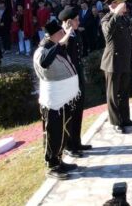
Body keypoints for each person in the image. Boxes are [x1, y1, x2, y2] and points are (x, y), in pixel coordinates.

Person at [33, 19, 80, 180]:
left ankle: (59, 160)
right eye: (60, 33)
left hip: (64, 98)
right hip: (53, 102)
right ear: (52, 36)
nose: (63, 36)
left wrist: (66, 34)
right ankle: (51, 165)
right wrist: (60, 44)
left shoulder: (56, 46)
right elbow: (46, 62)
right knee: (53, 133)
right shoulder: (42, 51)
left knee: (63, 131)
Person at [100, 0, 132, 134]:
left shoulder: (124, 18)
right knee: (113, 94)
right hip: (112, 62)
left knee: (124, 92)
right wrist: (115, 13)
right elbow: (108, 32)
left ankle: (125, 118)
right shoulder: (107, 19)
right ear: (114, 5)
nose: (125, 5)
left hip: (125, 60)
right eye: (121, 2)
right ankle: (116, 122)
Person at [59, 7, 92, 157]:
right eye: (76, 20)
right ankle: (68, 146)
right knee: (70, 112)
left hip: (77, 76)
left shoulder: (76, 33)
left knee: (78, 109)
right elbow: (60, 51)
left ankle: (77, 142)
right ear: (68, 22)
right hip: (67, 79)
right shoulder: (60, 35)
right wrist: (66, 34)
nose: (79, 22)